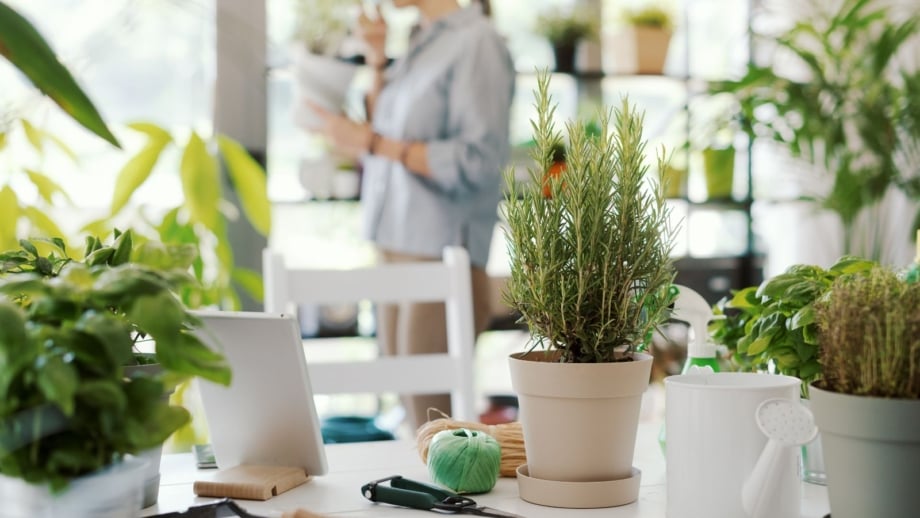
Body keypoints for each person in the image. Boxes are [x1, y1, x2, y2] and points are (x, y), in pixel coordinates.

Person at [308, 0, 514, 431]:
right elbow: (387, 126)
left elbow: (476, 161)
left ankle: (452, 503)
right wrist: (376, 59)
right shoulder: (422, 39)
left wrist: (370, 142)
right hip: (395, 243)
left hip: (439, 253)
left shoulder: (477, 42)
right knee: (410, 417)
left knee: (431, 425)